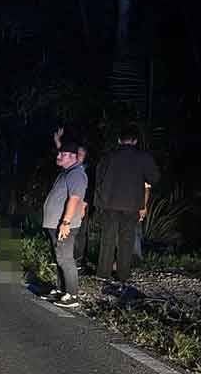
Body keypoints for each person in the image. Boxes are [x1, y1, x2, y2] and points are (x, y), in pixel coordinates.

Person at [94, 125, 160, 283]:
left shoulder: (108, 156)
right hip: (131, 205)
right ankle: (123, 275)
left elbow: (98, 179)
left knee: (107, 239)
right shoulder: (143, 157)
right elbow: (154, 178)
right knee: (127, 240)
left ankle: (103, 274)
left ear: (119, 140)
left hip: (109, 204)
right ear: (135, 141)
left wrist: (99, 202)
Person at [40, 141, 88, 308]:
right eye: (59, 153)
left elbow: (74, 199)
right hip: (55, 223)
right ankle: (61, 290)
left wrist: (65, 222)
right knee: (59, 257)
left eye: (62, 154)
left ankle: (72, 295)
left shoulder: (76, 174)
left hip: (64, 224)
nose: (58, 156)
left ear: (73, 157)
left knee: (65, 258)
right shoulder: (67, 172)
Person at [53, 128, 91, 269]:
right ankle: (67, 259)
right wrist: (58, 141)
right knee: (70, 234)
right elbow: (63, 155)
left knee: (80, 232)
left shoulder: (82, 170)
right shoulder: (70, 168)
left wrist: (83, 205)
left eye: (81, 154)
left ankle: (78, 259)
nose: (78, 155)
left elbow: (85, 190)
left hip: (81, 204)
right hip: (71, 205)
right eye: (77, 153)